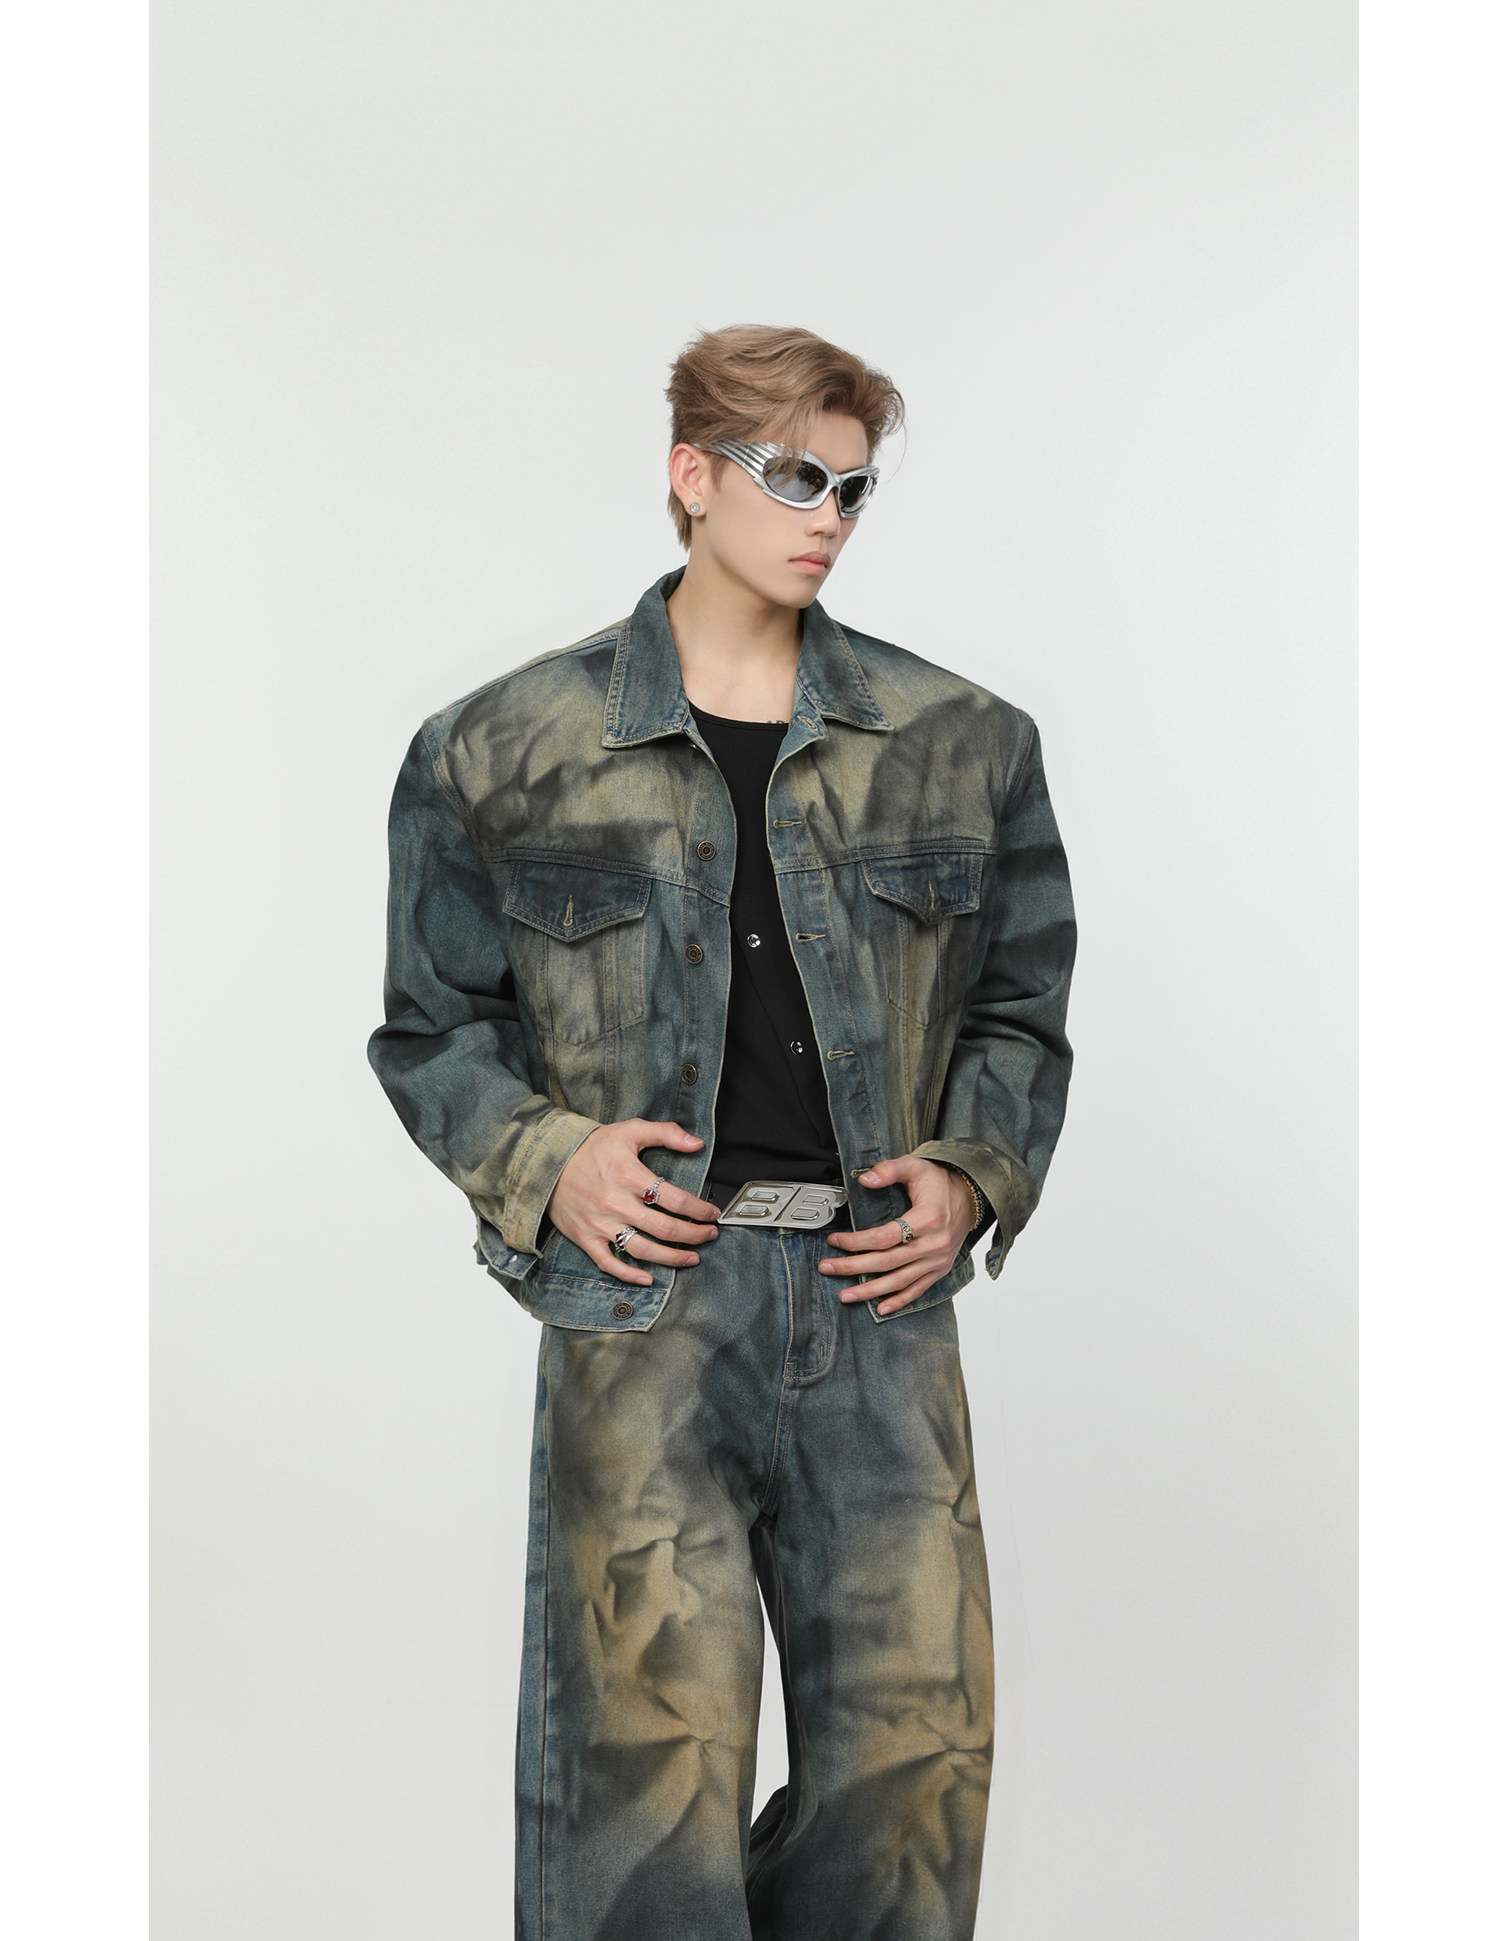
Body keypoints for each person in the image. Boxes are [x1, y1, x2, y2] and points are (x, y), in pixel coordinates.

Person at [368, 324, 1076, 1941]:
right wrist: (550, 1160)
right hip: (648, 1313)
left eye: (854, 487)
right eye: (794, 476)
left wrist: (972, 1172)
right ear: (692, 476)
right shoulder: (502, 748)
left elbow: (1020, 1003)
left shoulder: (964, 742)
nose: (829, 515)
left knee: (911, 1777)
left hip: (881, 1306)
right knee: (644, 1785)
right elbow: (431, 1028)